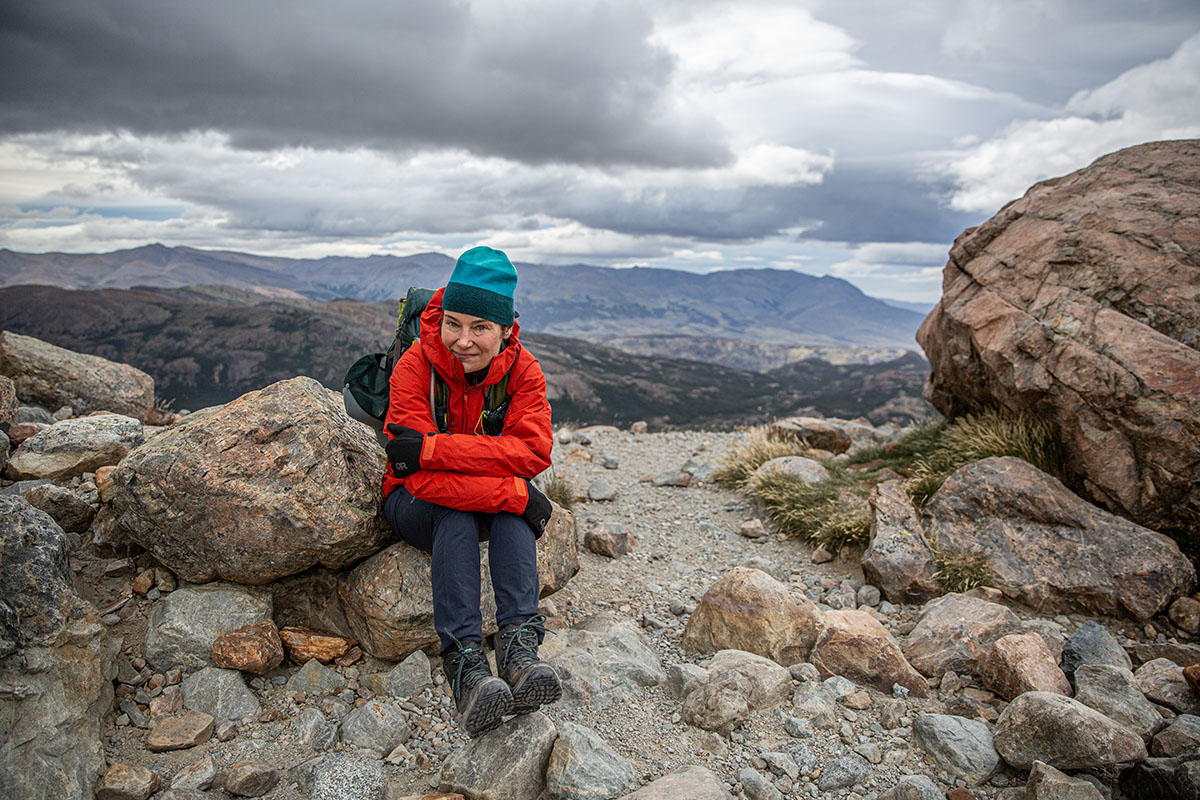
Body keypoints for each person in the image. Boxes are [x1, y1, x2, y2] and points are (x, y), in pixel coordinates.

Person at [380, 245, 561, 737]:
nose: (462, 340)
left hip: (457, 487)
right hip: (413, 503)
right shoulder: (414, 367)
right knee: (469, 513)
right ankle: (465, 669)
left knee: (508, 513)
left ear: (506, 329)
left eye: (479, 327)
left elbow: (532, 454)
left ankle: (519, 654)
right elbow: (414, 474)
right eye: (453, 323)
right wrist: (516, 494)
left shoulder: (525, 373)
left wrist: (435, 448)